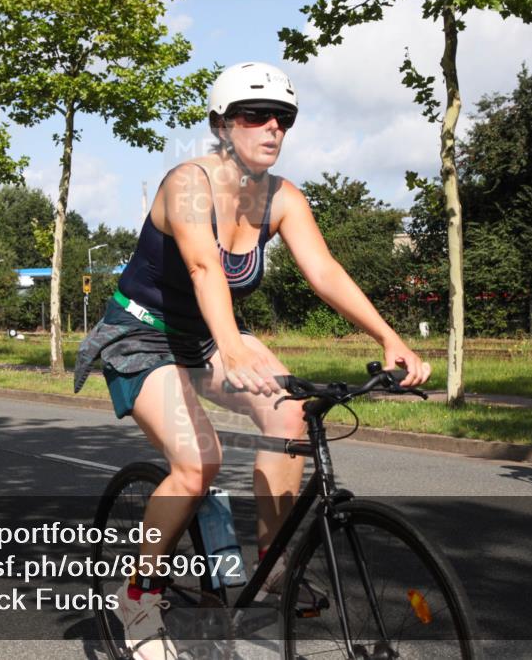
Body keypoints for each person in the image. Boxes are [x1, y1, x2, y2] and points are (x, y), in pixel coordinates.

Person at [74, 62, 430, 659]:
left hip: (209, 336)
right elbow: (203, 267)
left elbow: (324, 273)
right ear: (221, 125)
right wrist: (233, 345)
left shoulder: (283, 197)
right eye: (254, 116)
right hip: (140, 334)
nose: (271, 128)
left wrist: (389, 338)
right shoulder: (187, 183)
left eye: (283, 119)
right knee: (198, 462)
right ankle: (137, 595)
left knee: (289, 415)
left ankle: (275, 564)